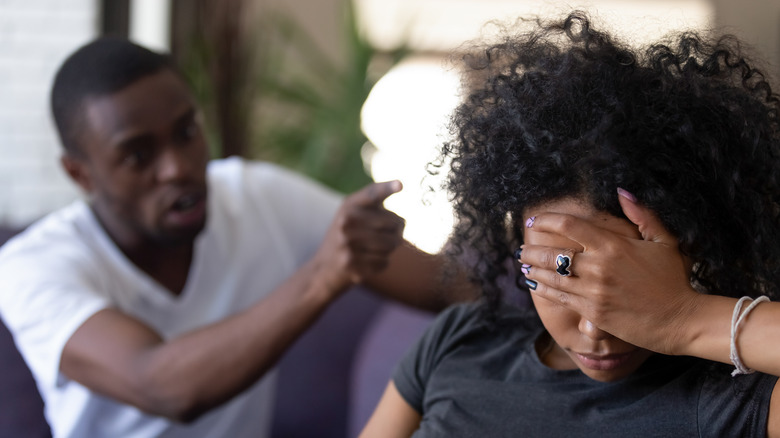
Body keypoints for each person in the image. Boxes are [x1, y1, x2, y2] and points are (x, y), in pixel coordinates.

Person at [0, 37, 470, 438]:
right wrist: (323, 276)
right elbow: (160, 384)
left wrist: (536, 269)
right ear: (79, 173)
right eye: (138, 155)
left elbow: (447, 285)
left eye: (186, 132)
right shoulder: (30, 267)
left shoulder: (256, 197)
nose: (177, 167)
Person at [361, 11, 780, 437]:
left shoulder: (729, 400)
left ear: (693, 246)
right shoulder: (460, 341)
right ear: (519, 239)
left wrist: (682, 318)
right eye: (561, 274)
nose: (594, 327)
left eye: (620, 276)